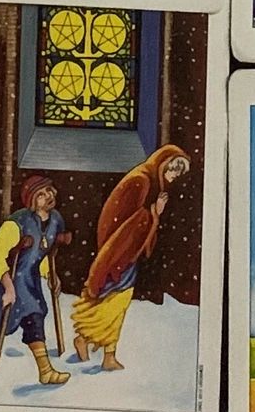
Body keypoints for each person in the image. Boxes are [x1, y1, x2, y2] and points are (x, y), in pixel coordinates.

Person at [70, 145, 190, 371]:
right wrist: (154, 213)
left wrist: (153, 214)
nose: (174, 176)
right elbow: (126, 224)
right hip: (119, 253)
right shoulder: (140, 181)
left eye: (179, 172)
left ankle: (97, 347)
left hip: (125, 253)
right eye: (174, 170)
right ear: (163, 164)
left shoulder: (149, 182)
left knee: (117, 302)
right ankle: (92, 343)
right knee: (114, 302)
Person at [0, 174, 71, 386]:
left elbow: (41, 253)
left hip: (30, 281)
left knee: (33, 312)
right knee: (31, 314)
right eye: (41, 194)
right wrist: (8, 286)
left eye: (48, 191)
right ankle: (45, 371)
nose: (47, 196)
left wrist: (51, 275)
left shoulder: (55, 220)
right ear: (32, 200)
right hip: (11, 279)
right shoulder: (16, 224)